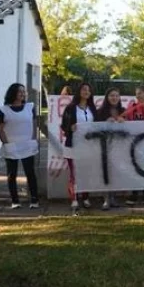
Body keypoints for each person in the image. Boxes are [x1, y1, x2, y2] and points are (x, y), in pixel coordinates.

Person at [0, 83, 40, 209]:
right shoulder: (3, 110)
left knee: (30, 173)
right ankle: (15, 201)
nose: (22, 93)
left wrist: (33, 139)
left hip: (27, 145)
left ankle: (34, 199)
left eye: (24, 91)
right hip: (12, 146)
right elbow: (0, 130)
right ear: (13, 93)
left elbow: (34, 124)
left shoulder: (29, 107)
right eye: (19, 91)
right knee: (12, 174)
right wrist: (6, 144)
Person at [60, 82, 97, 214]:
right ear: (79, 91)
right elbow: (64, 126)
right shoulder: (71, 108)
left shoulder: (92, 108)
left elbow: (97, 126)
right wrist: (70, 128)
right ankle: (74, 199)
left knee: (86, 173)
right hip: (73, 146)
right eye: (84, 89)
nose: (86, 92)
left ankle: (86, 197)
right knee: (74, 174)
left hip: (88, 147)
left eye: (89, 90)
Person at [95, 87, 125, 210]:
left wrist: (125, 121)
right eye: (112, 95)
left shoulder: (123, 110)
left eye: (116, 96)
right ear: (107, 98)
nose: (114, 98)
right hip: (103, 147)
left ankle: (113, 197)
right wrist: (105, 122)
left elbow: (130, 129)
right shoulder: (100, 111)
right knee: (105, 173)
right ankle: (106, 198)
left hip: (119, 148)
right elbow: (94, 127)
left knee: (116, 173)